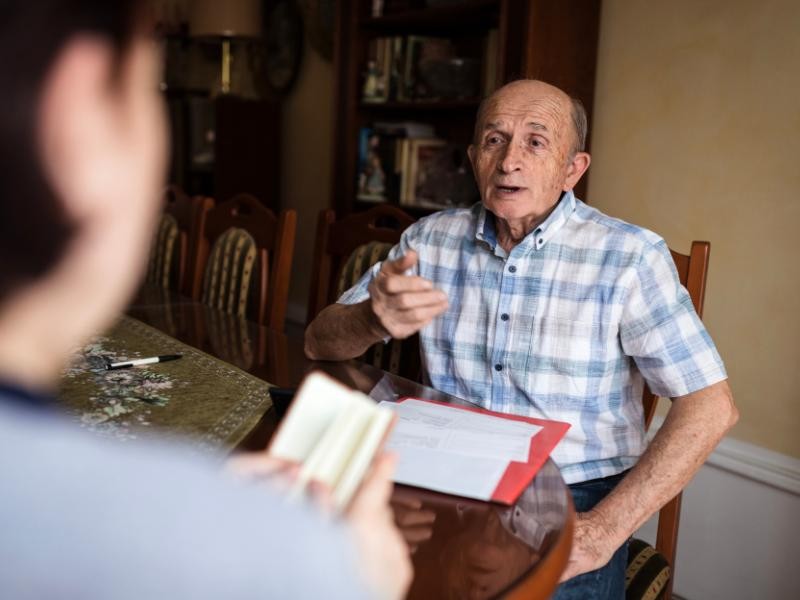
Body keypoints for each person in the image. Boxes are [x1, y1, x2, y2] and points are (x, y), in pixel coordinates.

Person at [0, 1, 410, 598]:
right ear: (76, 123)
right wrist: (360, 580)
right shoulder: (273, 558)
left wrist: (191, 504)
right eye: (149, 95)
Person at [305, 79, 739, 598]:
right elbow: (318, 342)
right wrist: (371, 320)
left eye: (536, 142)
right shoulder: (430, 239)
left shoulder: (630, 256)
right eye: (494, 140)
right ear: (473, 158)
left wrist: (604, 530)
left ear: (572, 169)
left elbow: (711, 407)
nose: (510, 160)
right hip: (444, 474)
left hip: (573, 490)